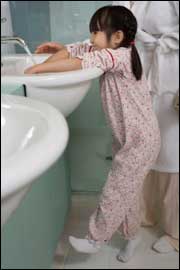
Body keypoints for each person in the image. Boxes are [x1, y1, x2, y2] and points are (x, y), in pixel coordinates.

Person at [25, 6, 161, 262]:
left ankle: (95, 238)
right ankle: (133, 237)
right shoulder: (106, 50)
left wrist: (37, 71)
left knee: (116, 189)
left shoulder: (119, 56)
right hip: (127, 139)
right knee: (127, 193)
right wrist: (59, 49)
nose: (91, 38)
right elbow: (78, 51)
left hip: (141, 140)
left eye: (96, 32)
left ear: (117, 37)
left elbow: (79, 62)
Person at [112, 1, 179, 253]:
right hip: (139, 72)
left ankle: (176, 232)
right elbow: (109, 28)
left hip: (172, 71)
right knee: (143, 149)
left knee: (172, 153)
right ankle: (147, 213)